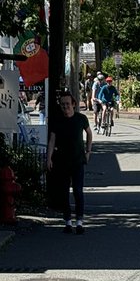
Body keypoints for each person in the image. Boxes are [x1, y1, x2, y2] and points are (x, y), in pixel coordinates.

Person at [47, 90, 92, 233]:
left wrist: (88, 151)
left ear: (73, 104)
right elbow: (52, 140)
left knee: (78, 191)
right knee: (64, 192)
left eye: (67, 104)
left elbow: (89, 133)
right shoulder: (57, 120)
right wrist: (49, 158)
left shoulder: (81, 119)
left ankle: (79, 222)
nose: (65, 106)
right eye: (62, 104)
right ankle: (68, 222)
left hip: (78, 160)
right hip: (61, 161)